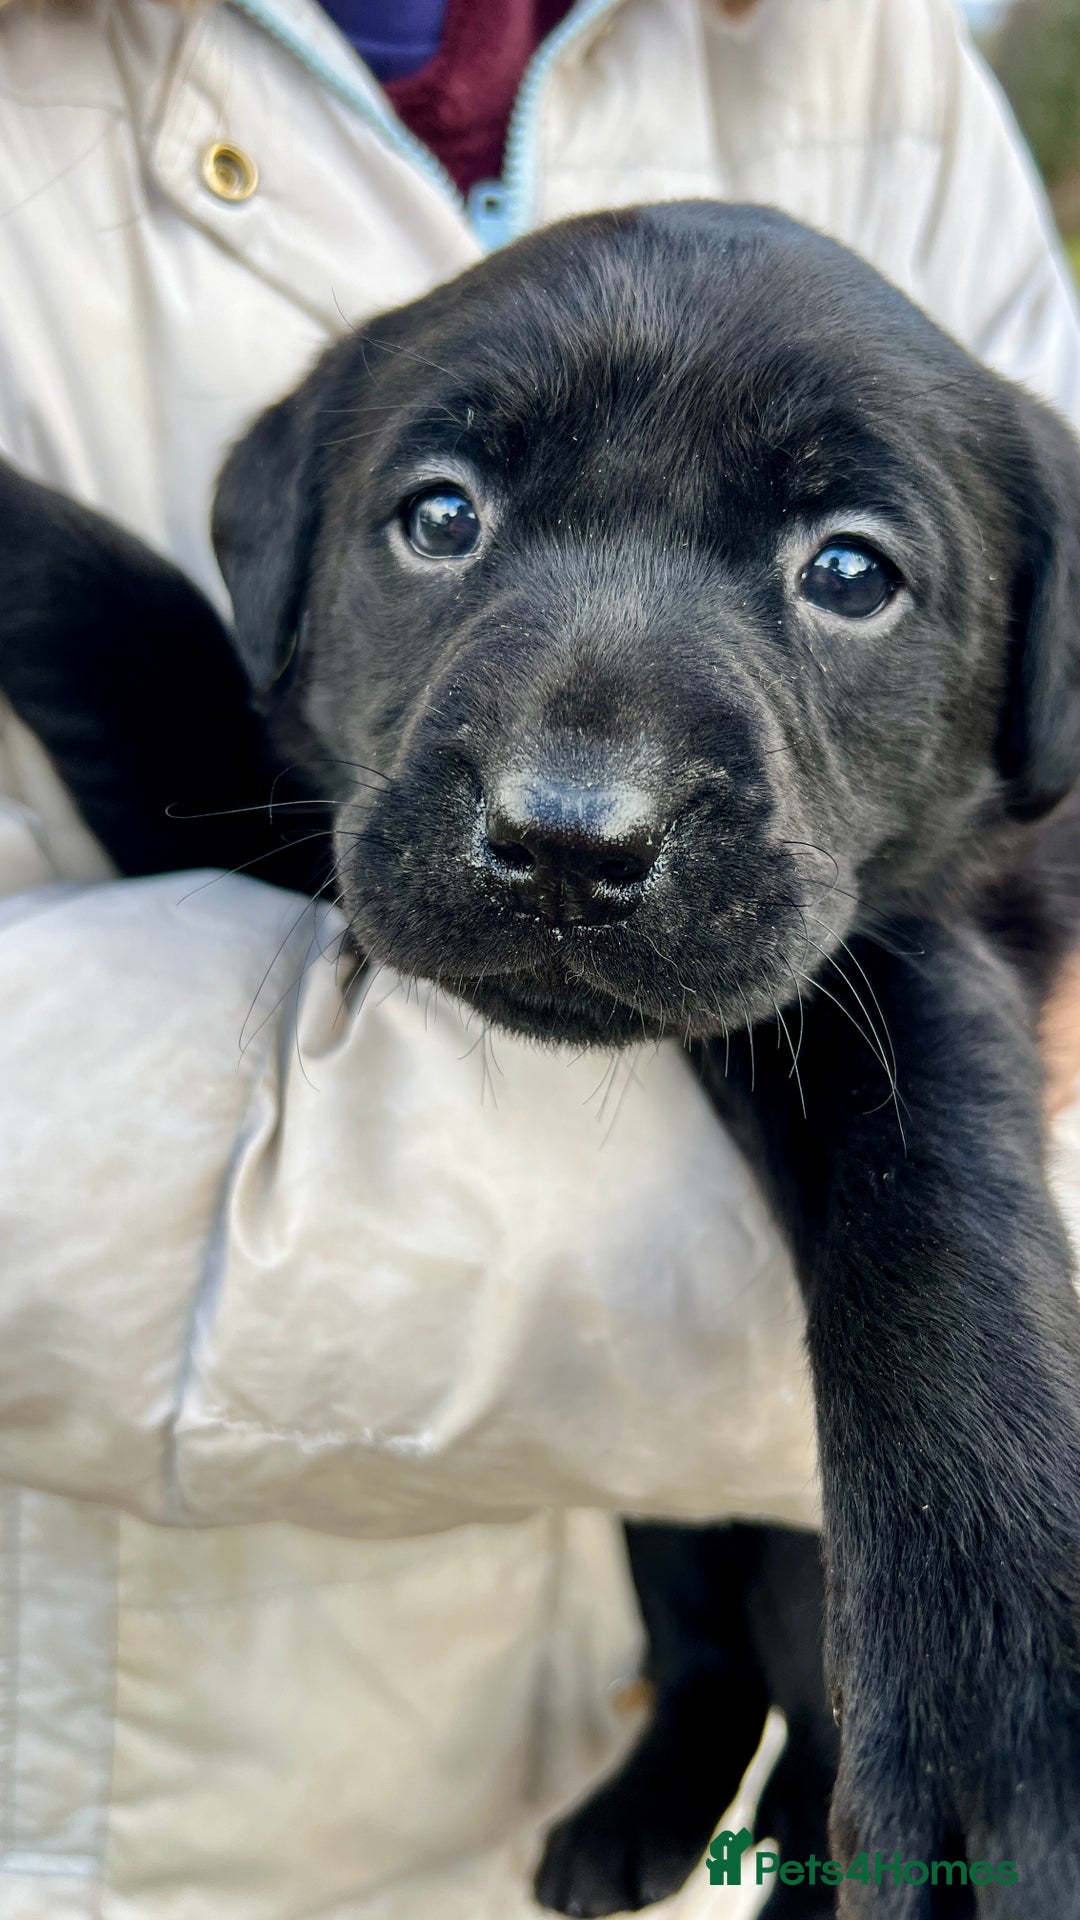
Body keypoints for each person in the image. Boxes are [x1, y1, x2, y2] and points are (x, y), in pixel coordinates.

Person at [1, 2, 1079, 1915]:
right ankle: (717, 1720)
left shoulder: (870, 58)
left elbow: (983, 967)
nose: (578, 790)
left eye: (851, 567)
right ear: (299, 562)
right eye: (443, 515)